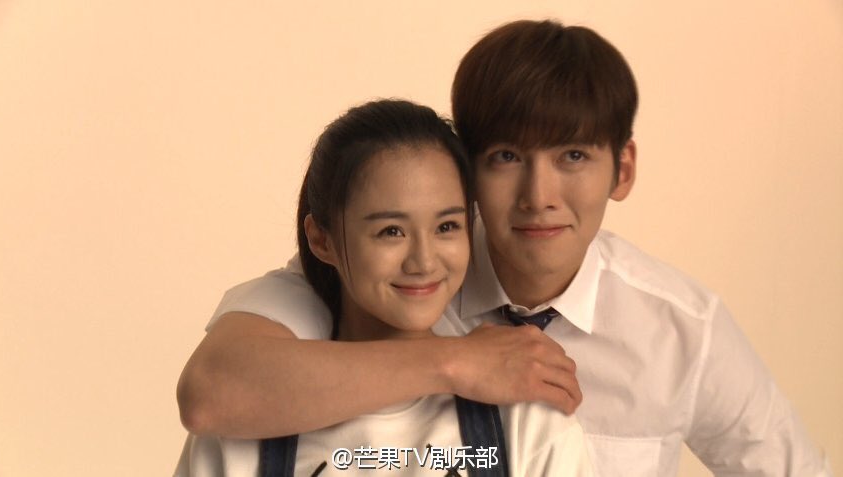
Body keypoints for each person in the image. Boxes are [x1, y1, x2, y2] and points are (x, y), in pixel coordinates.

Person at [177, 21, 832, 475]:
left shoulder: (682, 329)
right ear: (463, 170)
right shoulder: (395, 275)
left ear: (623, 169)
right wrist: (456, 361)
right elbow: (213, 393)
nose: (538, 196)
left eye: (573, 155)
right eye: (506, 157)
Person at [175, 99, 593, 476]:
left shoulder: (524, 422)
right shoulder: (245, 425)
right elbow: (209, 390)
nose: (423, 261)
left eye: (447, 226)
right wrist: (456, 360)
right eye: (391, 231)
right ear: (321, 240)